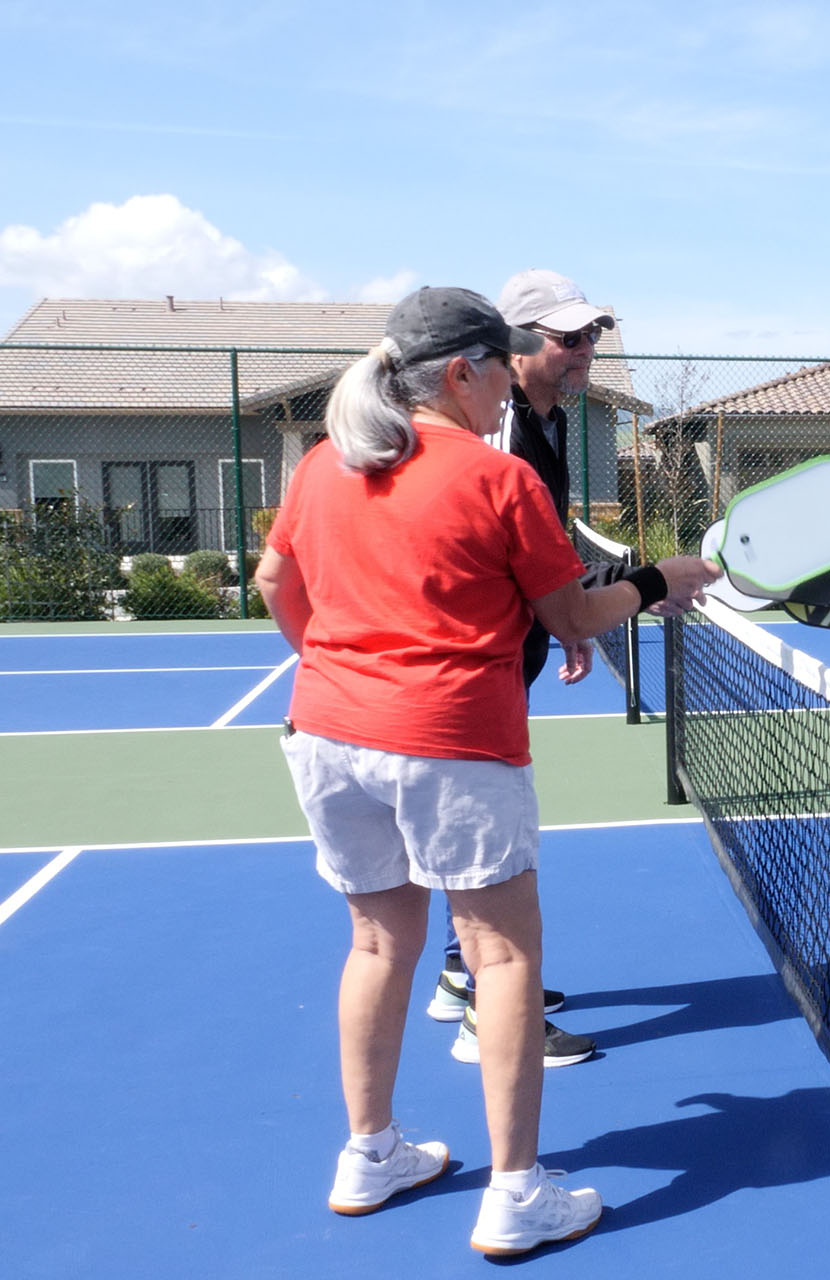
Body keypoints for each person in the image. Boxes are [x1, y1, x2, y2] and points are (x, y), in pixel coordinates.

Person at [257, 286, 717, 1254]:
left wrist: (338, 666)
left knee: (378, 943)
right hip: (453, 738)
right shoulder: (496, 476)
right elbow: (575, 615)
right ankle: (516, 1192)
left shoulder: (321, 465)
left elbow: (273, 582)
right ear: (462, 372)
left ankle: (369, 1149)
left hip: (328, 731)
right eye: (502, 363)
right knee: (502, 957)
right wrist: (658, 582)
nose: (513, 377)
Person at [422, 268, 614, 1067]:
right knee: (491, 843)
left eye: (593, 338)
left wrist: (567, 622)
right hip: (476, 672)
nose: (585, 354)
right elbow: (485, 549)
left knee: (476, 837)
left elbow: (541, 541)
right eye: (570, 339)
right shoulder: (499, 434)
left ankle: (463, 976)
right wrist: (595, 608)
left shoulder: (548, 420)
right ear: (519, 343)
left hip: (510, 655)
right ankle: (493, 1015)